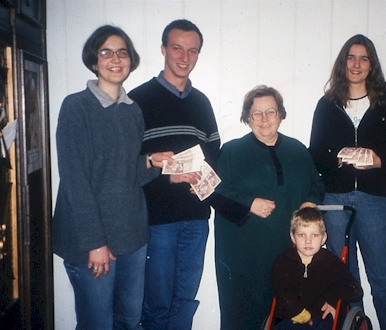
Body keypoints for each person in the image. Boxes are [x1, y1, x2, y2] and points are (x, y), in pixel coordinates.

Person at [52, 25, 167, 329]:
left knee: (129, 321)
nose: (115, 59)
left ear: (131, 60)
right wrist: (95, 242)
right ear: (94, 61)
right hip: (89, 242)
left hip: (132, 236)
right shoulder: (76, 107)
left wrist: (152, 162)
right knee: (97, 325)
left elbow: (126, 172)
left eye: (122, 52)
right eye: (106, 52)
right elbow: (75, 179)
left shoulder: (133, 111)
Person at [308, 34, 386, 329]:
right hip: (335, 200)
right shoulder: (327, 104)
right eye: (351, 57)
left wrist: (380, 161)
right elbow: (315, 154)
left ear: (372, 64)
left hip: (373, 199)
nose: (357, 64)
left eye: (364, 58)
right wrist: (337, 159)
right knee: (346, 281)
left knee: (383, 282)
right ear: (342, 62)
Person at [128, 19, 219, 330]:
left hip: (196, 219)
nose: (185, 57)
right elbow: (126, 165)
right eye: (177, 48)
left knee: (184, 303)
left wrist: (205, 181)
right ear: (163, 50)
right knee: (156, 306)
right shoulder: (137, 100)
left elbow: (215, 156)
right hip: (157, 222)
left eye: (192, 51)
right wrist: (167, 175)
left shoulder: (202, 102)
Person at [214, 85, 325, 330]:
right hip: (244, 255)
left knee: (286, 315)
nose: (264, 119)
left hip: (287, 251)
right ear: (247, 117)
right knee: (244, 317)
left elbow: (317, 185)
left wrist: (309, 202)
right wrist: (249, 204)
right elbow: (215, 194)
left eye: (271, 112)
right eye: (257, 113)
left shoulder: (297, 150)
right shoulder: (231, 151)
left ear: (280, 115)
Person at [270, 207, 363, 330]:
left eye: (314, 235)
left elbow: (355, 291)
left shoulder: (330, 262)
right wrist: (298, 312)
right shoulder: (283, 261)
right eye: (301, 235)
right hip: (290, 317)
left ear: (323, 238)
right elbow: (280, 289)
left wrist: (332, 301)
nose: (308, 241)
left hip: (321, 319)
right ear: (293, 237)